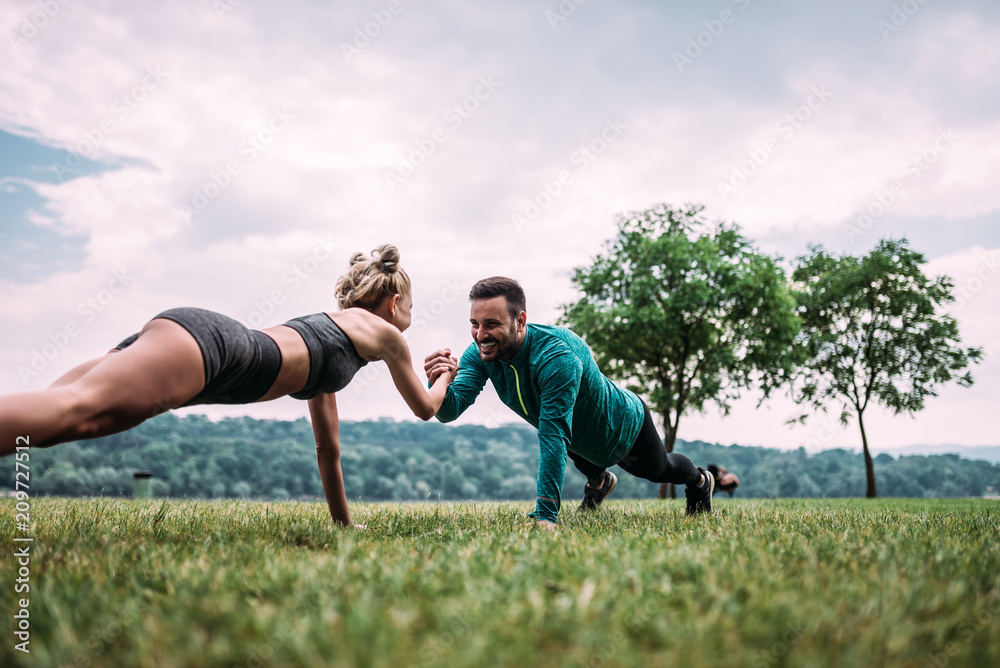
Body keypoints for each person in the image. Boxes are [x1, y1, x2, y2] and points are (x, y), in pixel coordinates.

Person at [0, 244, 458, 527]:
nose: (410, 319)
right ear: (395, 302)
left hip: (198, 341)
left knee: (63, 420)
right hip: (211, 351)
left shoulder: (333, 342)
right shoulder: (386, 335)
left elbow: (328, 449)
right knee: (72, 411)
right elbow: (425, 407)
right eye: (412, 307)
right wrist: (443, 377)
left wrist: (344, 525)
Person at [423, 276, 739, 530]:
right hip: (576, 434)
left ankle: (701, 479)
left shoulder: (556, 356)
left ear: (520, 321)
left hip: (622, 428)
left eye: (491, 323)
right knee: (572, 440)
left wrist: (545, 515)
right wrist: (439, 380)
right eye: (474, 324)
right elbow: (449, 411)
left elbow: (553, 436)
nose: (480, 334)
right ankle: (600, 481)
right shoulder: (480, 354)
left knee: (659, 469)